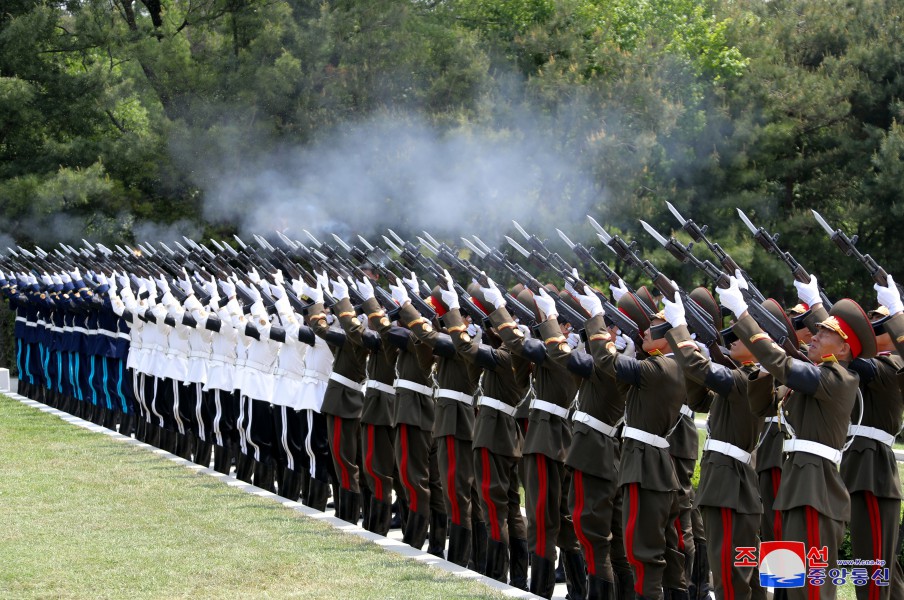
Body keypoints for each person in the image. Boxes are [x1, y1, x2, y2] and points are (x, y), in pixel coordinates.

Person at [720, 271, 876, 600]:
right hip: (798, 488)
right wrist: (765, 370)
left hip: (815, 492)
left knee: (812, 591)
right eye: (816, 329)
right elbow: (762, 405)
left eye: (825, 332)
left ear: (845, 347)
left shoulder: (840, 379)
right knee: (791, 585)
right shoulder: (813, 380)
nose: (814, 335)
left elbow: (787, 367)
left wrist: (743, 316)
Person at [662, 289, 775, 599]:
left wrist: (680, 330)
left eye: (739, 336)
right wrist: (691, 357)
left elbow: (702, 371)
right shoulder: (740, 379)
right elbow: (699, 398)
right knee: (741, 572)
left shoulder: (747, 380)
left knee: (730, 573)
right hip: (725, 483)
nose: (732, 340)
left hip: (730, 487)